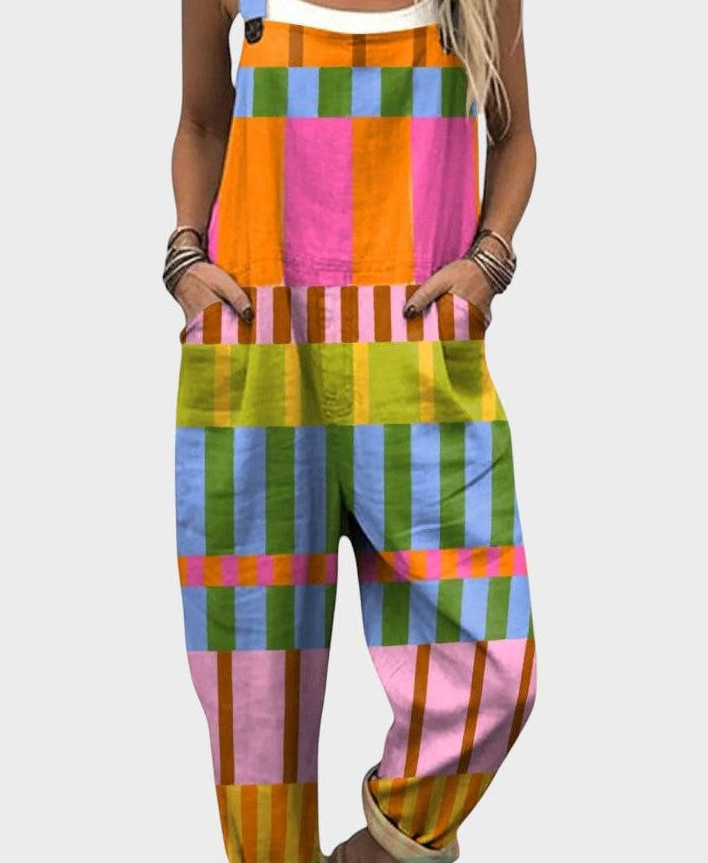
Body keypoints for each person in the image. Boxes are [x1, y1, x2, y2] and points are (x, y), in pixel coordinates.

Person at [166, 0, 537, 860]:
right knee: (256, 711)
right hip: (258, 355)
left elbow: (515, 137)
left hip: (417, 360)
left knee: (495, 667)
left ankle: (385, 844)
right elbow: (201, 123)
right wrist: (184, 258)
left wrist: (487, 265)